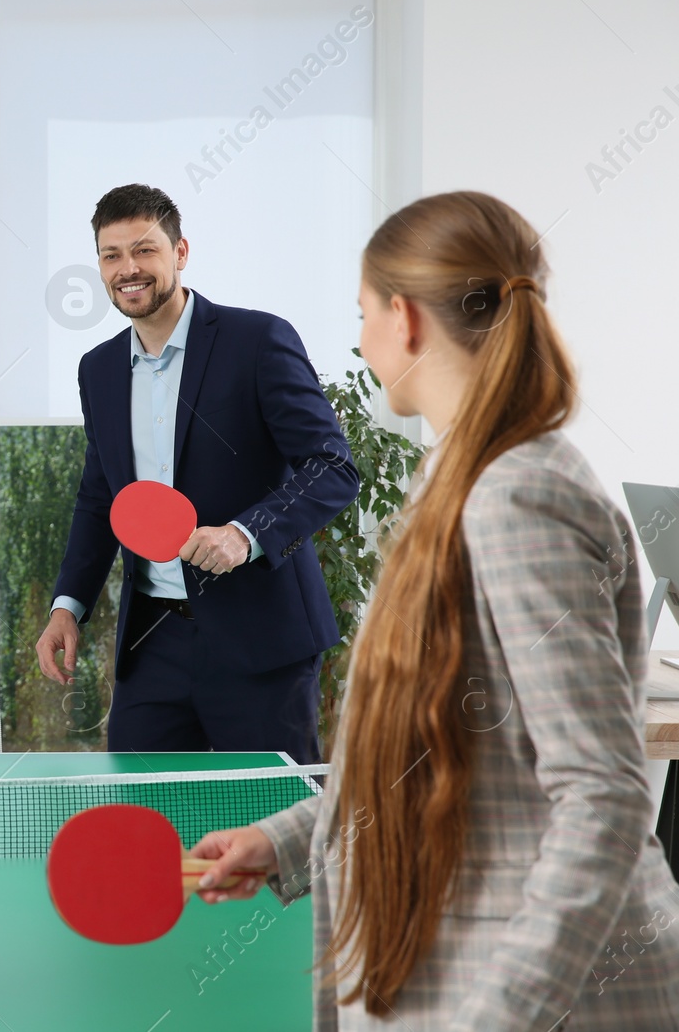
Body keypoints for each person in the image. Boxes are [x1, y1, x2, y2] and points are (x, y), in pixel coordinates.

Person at [193, 191, 679, 1029]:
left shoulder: (519, 494)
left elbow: (602, 795)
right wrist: (287, 839)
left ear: (404, 317)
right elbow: (435, 751)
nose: (358, 342)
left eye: (362, 315)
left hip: (528, 998)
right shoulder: (459, 478)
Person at [35, 184, 359, 762]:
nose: (127, 269)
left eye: (144, 250)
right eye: (111, 255)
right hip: (151, 643)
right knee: (144, 825)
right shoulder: (99, 370)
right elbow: (98, 498)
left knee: (272, 828)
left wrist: (245, 534)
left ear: (181, 252)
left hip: (260, 641)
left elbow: (332, 466)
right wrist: (69, 606)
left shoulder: (257, 341)